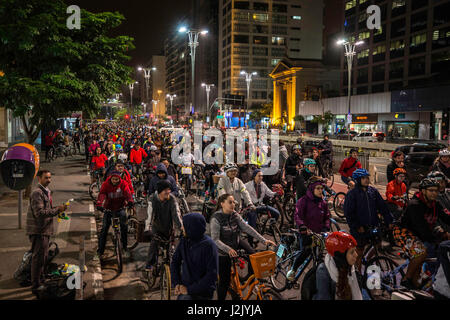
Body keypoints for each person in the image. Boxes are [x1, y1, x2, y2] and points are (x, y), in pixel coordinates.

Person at [210, 194, 276, 300]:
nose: (233, 204)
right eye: (230, 202)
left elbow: (247, 228)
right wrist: (228, 249)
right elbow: (215, 240)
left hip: (235, 241)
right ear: (222, 204)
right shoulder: (216, 218)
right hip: (222, 251)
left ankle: (251, 279)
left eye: (234, 202)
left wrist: (264, 240)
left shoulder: (235, 214)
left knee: (253, 254)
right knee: (224, 282)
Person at [392, 178, 450, 289]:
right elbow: (422, 229)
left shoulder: (435, 204)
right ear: (423, 191)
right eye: (431, 190)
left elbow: (447, 218)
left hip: (419, 233)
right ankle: (406, 279)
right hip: (403, 231)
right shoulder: (415, 205)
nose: (434, 193)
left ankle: (415, 284)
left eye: (436, 191)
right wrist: (437, 239)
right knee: (420, 253)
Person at [26, 170, 68, 296]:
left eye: (50, 178)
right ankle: (36, 285)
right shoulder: (37, 193)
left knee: (43, 257)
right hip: (39, 230)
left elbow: (46, 209)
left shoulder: (45, 191)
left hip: (44, 229)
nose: (48, 180)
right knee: (38, 258)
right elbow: (39, 213)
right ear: (39, 178)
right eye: (46, 178)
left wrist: (58, 209)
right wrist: (57, 210)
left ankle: (41, 279)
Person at [344, 169, 394, 271]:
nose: (366, 180)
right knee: (359, 251)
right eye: (363, 178)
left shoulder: (373, 191)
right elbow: (349, 213)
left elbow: (383, 207)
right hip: (359, 229)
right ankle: (356, 272)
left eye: (367, 178)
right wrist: (357, 226)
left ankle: (367, 260)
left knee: (377, 244)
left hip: (373, 226)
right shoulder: (352, 194)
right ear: (358, 180)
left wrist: (389, 220)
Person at [287, 177, 331, 281]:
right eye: (318, 188)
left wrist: (326, 228)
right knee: (306, 251)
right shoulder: (303, 201)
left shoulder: (323, 203)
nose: (321, 191)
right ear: (312, 189)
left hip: (319, 234)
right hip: (306, 233)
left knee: (320, 254)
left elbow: (327, 217)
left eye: (322, 188)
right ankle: (293, 269)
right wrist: (302, 226)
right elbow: (297, 216)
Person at [171, 213, 218, 300]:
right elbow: (175, 261)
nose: (182, 228)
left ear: (191, 228)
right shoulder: (184, 241)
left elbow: (211, 275)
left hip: (203, 293)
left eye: (184, 226)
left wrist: (189, 290)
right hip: (186, 289)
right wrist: (177, 282)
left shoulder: (209, 246)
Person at [144, 180, 183, 270]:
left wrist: (181, 227)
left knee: (170, 252)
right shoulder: (152, 199)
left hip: (168, 228)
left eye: (169, 189)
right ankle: (149, 263)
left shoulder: (172, 199)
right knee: (154, 244)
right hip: (156, 228)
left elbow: (176, 214)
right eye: (166, 190)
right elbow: (149, 215)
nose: (168, 192)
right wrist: (147, 228)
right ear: (160, 191)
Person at [95, 171, 134, 260]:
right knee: (104, 230)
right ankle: (100, 252)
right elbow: (102, 194)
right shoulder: (105, 184)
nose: (115, 181)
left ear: (119, 178)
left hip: (120, 208)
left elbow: (127, 193)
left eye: (117, 179)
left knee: (124, 227)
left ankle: (124, 248)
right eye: (113, 179)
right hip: (108, 209)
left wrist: (130, 201)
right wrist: (99, 204)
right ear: (110, 178)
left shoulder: (123, 184)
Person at [315, 231, 364, 300]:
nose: (356, 255)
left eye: (355, 251)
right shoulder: (323, 271)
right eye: (352, 252)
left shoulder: (351, 267)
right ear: (341, 256)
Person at [244, 169, 281, 246]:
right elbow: (242, 194)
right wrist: (248, 203)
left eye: (262, 176)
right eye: (259, 176)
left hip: (261, 205)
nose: (261, 177)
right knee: (252, 226)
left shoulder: (263, 184)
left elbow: (269, 192)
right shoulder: (247, 185)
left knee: (276, 213)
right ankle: (250, 243)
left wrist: (276, 194)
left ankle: (270, 228)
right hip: (252, 207)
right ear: (254, 176)